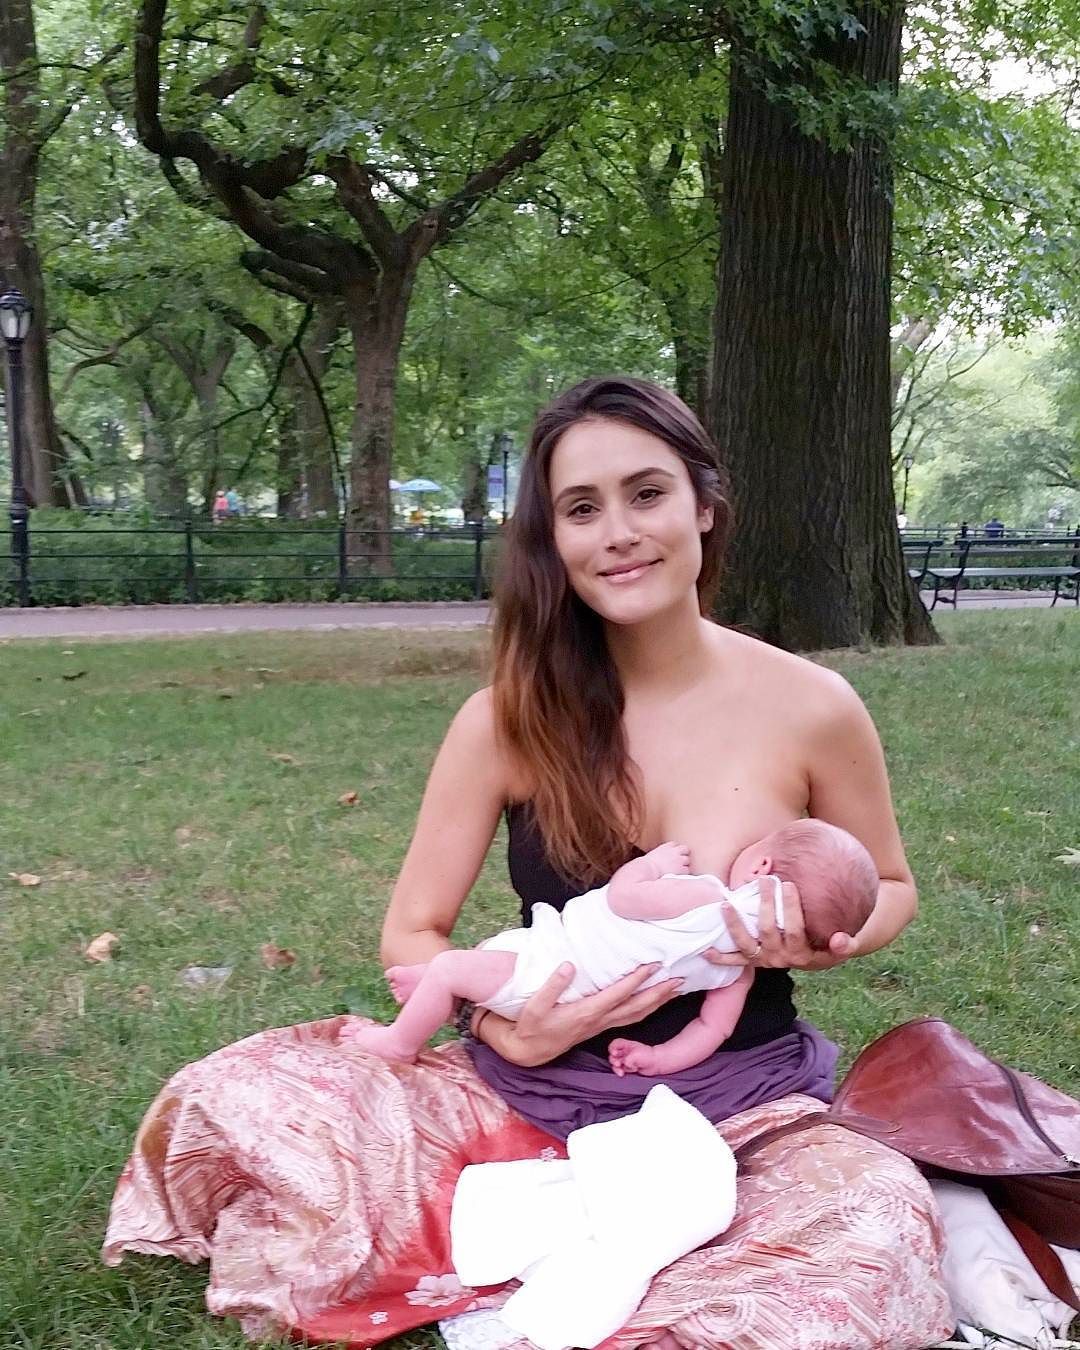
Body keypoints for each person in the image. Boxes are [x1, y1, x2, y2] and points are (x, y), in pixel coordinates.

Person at [103, 376, 952, 1349]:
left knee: (873, 1233)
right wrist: (508, 1030)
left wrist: (827, 939)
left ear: (704, 506)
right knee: (233, 1102)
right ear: (553, 540)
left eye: (647, 494)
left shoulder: (811, 705)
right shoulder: (504, 720)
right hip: (520, 1092)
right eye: (581, 510)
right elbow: (413, 931)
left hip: (739, 1105)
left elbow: (892, 884)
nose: (619, 533)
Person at [342, 819, 877, 1073]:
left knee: (451, 968)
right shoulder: (740, 970)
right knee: (477, 964)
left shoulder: (703, 896)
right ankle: (439, 990)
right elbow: (711, 1030)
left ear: (760, 866)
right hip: (565, 984)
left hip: (550, 973)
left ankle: (399, 1041)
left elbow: (624, 898)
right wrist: (656, 1057)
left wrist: (654, 865)